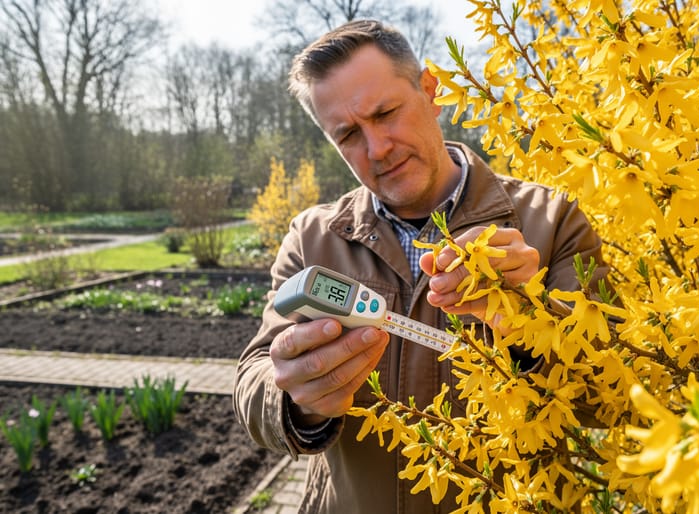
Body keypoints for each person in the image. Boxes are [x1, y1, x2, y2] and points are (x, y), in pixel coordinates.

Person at [233, 19, 608, 514]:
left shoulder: (552, 219)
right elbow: (254, 379)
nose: (378, 148)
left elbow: (605, 397)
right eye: (347, 134)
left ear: (429, 91)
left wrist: (529, 327)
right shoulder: (313, 237)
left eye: (386, 112)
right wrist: (296, 399)